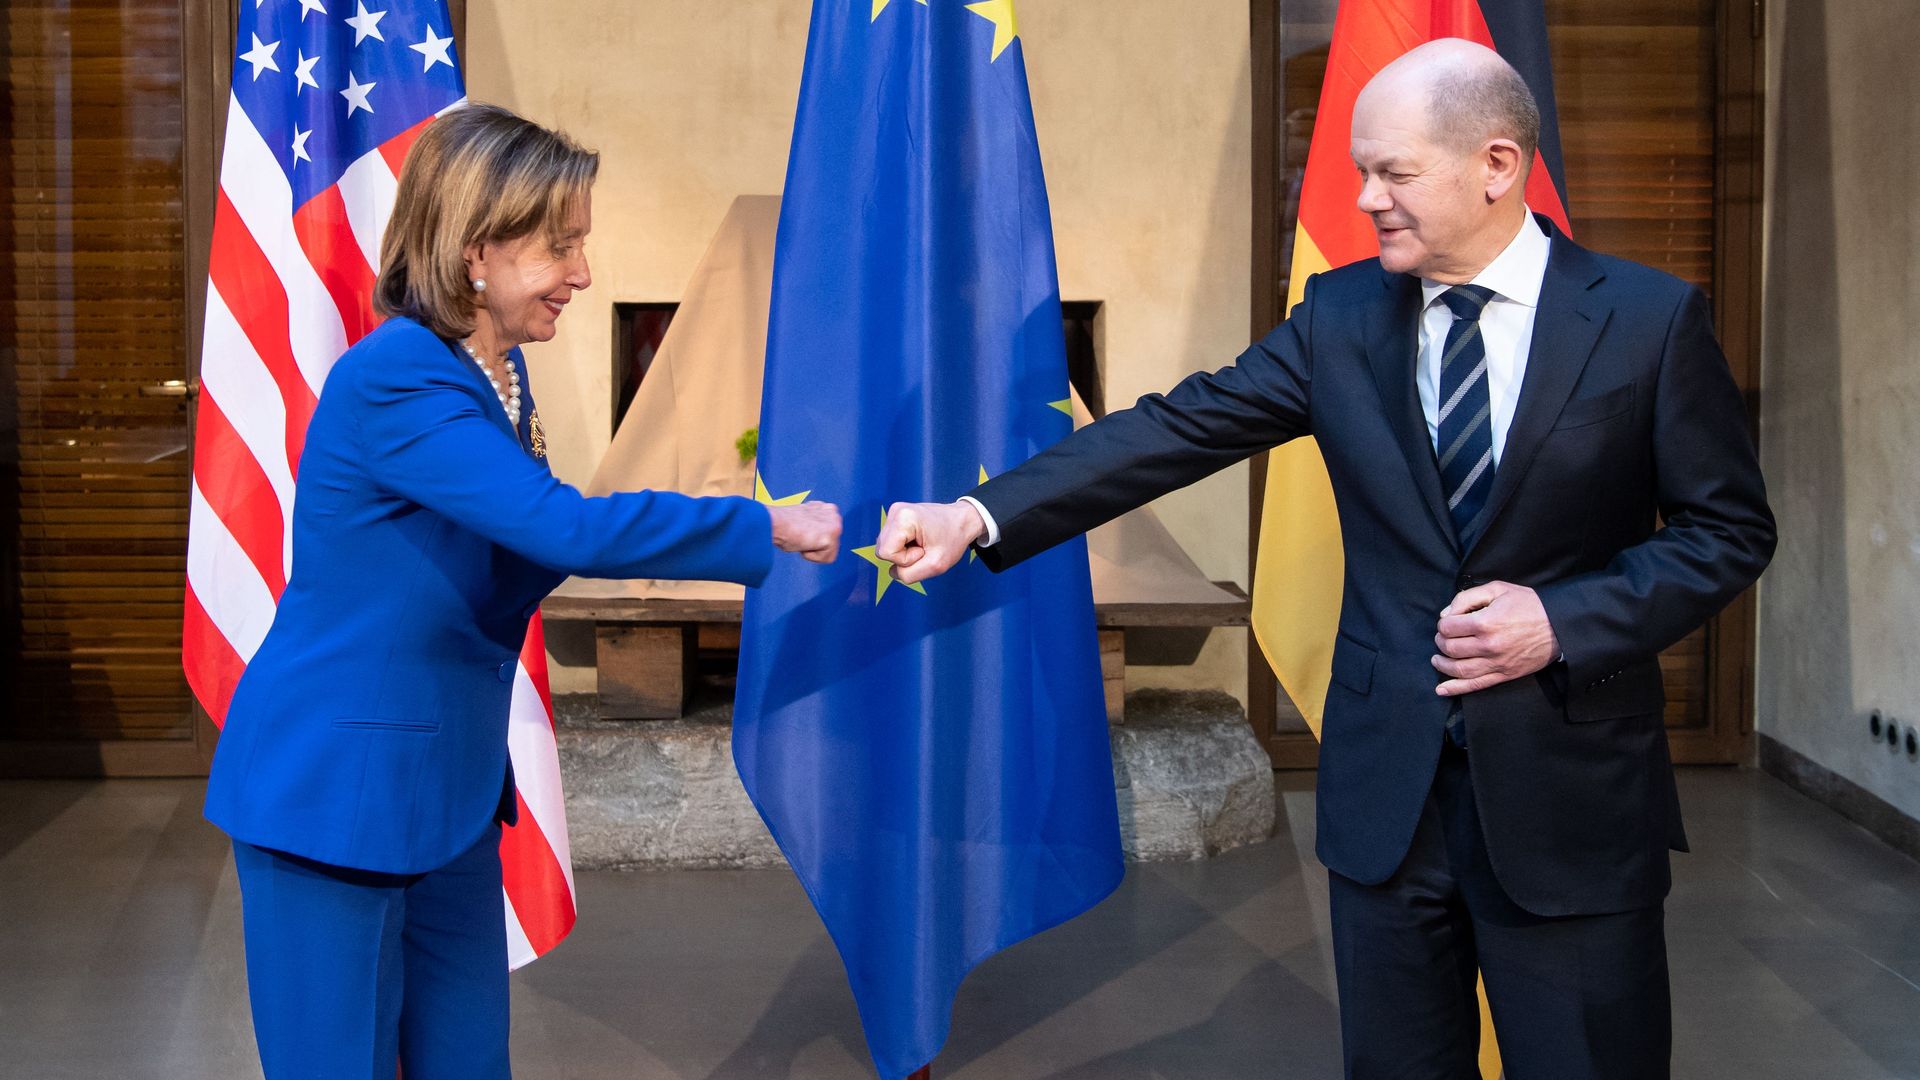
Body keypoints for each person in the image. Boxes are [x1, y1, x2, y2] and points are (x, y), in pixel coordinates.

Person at [876, 39, 1774, 1080]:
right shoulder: (1342, 317)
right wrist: (977, 516)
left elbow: (1729, 532)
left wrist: (1563, 621)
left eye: (1393, 173)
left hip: (1573, 800)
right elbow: (1175, 431)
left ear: (1496, 165)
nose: (1365, 199)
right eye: (1360, 171)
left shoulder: (1649, 321)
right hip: (1388, 805)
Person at [202, 104, 841, 1080]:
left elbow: (519, 554)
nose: (581, 274)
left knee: (468, 1061)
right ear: (475, 253)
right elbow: (562, 529)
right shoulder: (399, 382)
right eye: (560, 246)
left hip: (445, 795)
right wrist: (761, 524)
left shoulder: (493, 375)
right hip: (332, 797)